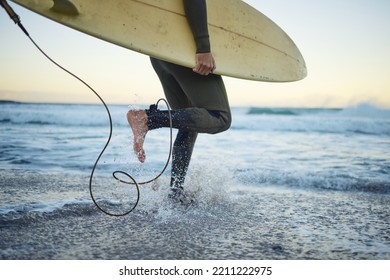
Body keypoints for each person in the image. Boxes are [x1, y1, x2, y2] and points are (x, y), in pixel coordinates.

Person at [127, 0, 231, 203]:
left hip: (159, 50)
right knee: (220, 118)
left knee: (188, 120)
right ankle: (147, 119)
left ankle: (175, 194)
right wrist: (203, 46)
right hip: (184, 47)